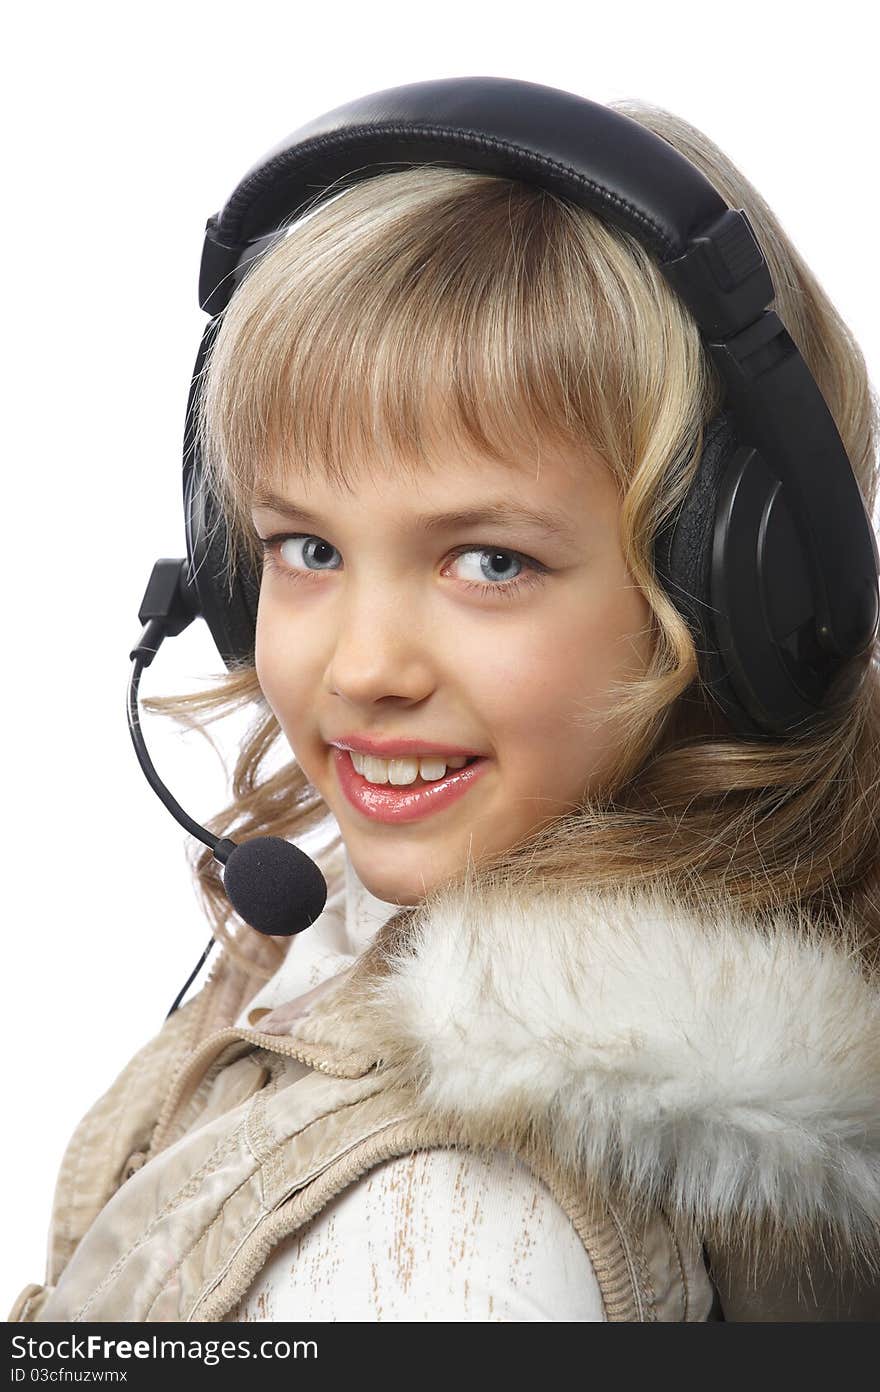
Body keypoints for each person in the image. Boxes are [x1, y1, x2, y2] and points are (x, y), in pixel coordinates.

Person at [9, 81, 880, 1323]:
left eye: (489, 563)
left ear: (745, 591)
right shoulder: (346, 944)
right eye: (306, 548)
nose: (364, 666)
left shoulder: (462, 1240)